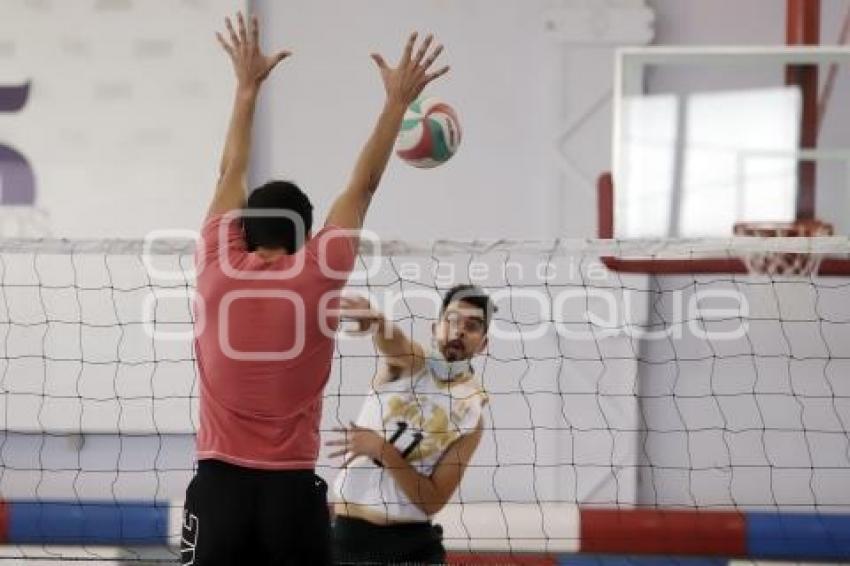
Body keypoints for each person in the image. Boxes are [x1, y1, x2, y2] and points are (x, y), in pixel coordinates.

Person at [180, 11, 450, 565]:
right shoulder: (317, 270)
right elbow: (364, 185)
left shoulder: (215, 262)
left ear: (241, 230)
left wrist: (246, 86)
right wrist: (397, 103)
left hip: (218, 488)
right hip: (291, 497)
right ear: (305, 237)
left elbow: (229, 168)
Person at [328, 284, 496, 565]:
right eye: (452, 321)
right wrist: (379, 323)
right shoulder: (411, 366)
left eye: (473, 325)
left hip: (412, 548)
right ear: (435, 329)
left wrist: (382, 450)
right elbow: (396, 344)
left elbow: (432, 501)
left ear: (484, 343)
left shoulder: (472, 415)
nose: (460, 331)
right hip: (348, 539)